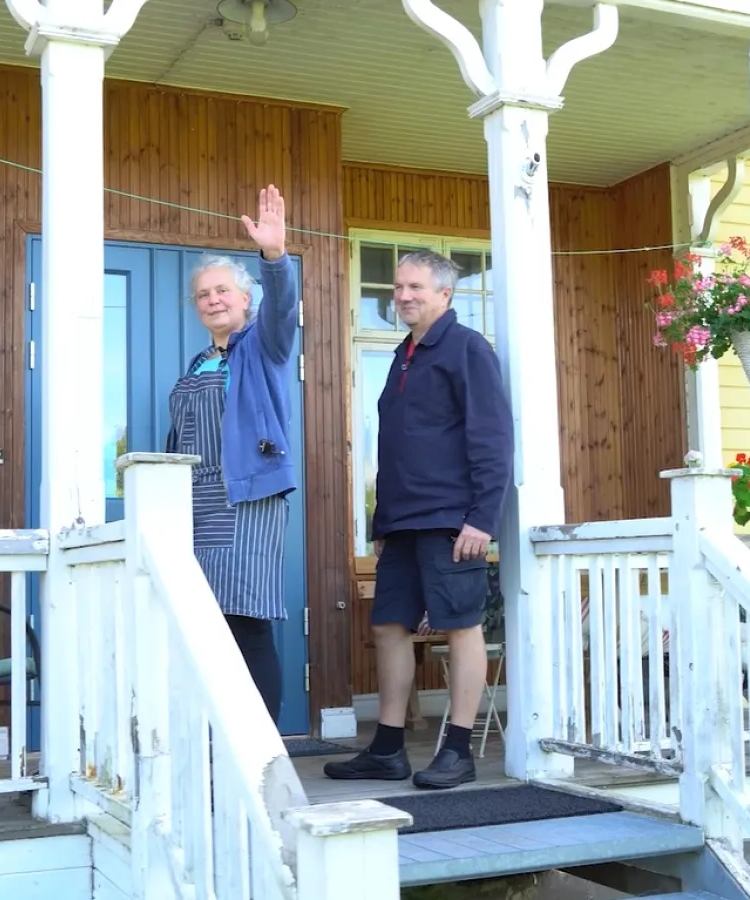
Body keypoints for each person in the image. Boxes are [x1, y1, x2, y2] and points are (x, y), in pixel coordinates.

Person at [324, 249, 512, 790]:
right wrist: (381, 523)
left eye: (416, 288)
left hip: (452, 519)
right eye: (399, 287)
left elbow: (494, 438)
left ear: (444, 294)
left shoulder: (467, 349)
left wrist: (482, 518)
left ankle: (458, 749)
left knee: (460, 626)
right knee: (388, 625)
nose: (403, 295)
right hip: (402, 522)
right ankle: (387, 749)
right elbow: (394, 447)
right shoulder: (403, 355)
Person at [166, 184, 300, 724]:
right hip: (195, 506)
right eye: (204, 294)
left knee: (246, 618)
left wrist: (273, 256)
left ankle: (262, 743)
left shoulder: (263, 347)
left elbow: (283, 307)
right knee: (207, 621)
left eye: (223, 290)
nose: (214, 300)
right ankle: (217, 733)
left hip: (248, 500)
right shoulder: (198, 363)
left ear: (245, 299)